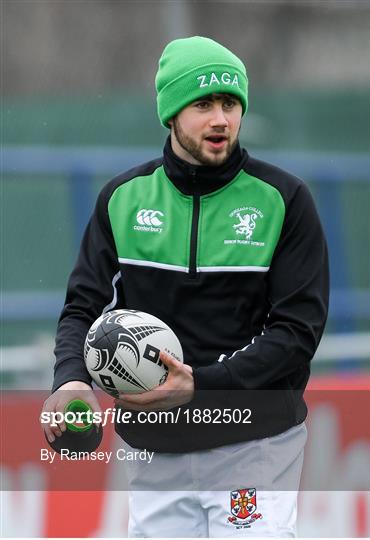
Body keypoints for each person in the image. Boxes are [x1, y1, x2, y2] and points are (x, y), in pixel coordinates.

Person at [42, 36, 329, 537]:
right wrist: (71, 379)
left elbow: (297, 333)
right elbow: (81, 307)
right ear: (171, 113)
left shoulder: (285, 200)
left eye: (230, 103)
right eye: (202, 104)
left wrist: (200, 383)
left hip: (255, 443)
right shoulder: (123, 199)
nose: (221, 118)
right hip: (154, 446)